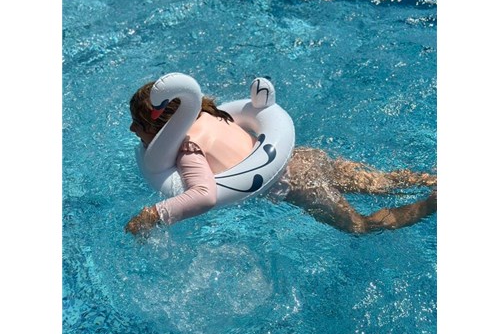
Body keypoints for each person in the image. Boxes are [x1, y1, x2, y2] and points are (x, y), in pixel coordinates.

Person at [125, 81, 437, 236]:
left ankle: (433, 203)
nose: (132, 129)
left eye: (138, 123)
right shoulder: (208, 114)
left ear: (163, 127)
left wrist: (153, 214)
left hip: (300, 186)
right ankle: (431, 178)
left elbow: (204, 196)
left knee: (361, 226)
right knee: (383, 182)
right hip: (305, 159)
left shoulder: (188, 148)